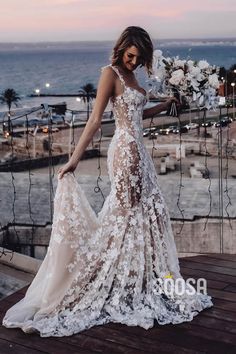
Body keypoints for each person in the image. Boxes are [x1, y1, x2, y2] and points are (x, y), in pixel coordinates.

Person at [2, 26, 213, 337]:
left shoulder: (133, 77)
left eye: (139, 59)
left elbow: (137, 116)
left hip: (139, 152)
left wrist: (167, 105)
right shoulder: (110, 73)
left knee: (145, 215)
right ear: (122, 48)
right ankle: (105, 280)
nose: (133, 62)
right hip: (125, 154)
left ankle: (136, 279)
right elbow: (96, 120)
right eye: (130, 56)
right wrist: (73, 159)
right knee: (125, 216)